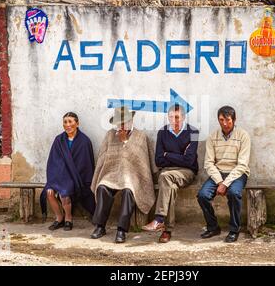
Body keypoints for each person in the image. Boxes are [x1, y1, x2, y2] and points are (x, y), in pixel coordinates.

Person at [90, 106, 157, 243]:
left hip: (133, 176)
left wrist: (125, 141)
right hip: (112, 174)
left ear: (131, 120)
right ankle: (100, 226)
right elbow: (103, 157)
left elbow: (140, 160)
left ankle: (121, 230)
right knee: (102, 187)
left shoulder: (140, 136)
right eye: (119, 122)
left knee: (128, 190)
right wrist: (100, 175)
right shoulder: (110, 135)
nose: (122, 125)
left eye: (125, 121)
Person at [142, 104, 199, 243]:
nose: (174, 120)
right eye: (171, 117)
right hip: (167, 173)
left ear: (184, 117)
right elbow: (158, 160)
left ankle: (159, 218)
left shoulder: (193, 132)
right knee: (170, 187)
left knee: (164, 177)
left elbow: (189, 160)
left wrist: (168, 154)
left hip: (187, 173)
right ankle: (167, 231)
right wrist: (179, 156)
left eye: (177, 117)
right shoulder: (162, 132)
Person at [197, 106, 251, 243]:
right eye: (221, 120)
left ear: (234, 119)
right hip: (218, 173)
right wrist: (220, 182)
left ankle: (234, 230)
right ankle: (213, 227)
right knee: (202, 196)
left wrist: (226, 183)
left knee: (234, 194)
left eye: (228, 120)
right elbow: (208, 163)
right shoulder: (212, 137)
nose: (225, 124)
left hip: (237, 173)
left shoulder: (243, 136)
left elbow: (242, 165)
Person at [40, 112, 96, 231]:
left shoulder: (84, 141)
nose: (67, 125)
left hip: (75, 177)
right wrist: (55, 178)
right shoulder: (59, 140)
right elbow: (53, 162)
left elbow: (86, 164)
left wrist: (74, 178)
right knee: (49, 192)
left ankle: (68, 219)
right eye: (65, 122)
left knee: (64, 194)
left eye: (70, 121)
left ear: (77, 123)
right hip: (59, 176)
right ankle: (59, 218)